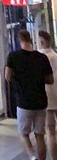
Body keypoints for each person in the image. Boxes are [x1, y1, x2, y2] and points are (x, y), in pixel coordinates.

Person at [7, 29, 53, 160]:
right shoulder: (42, 57)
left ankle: (32, 157)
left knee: (23, 133)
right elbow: (50, 80)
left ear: (19, 40)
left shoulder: (13, 56)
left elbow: (8, 77)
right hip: (41, 102)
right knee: (40, 135)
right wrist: (37, 78)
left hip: (24, 102)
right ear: (31, 40)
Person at [38, 30, 57, 160]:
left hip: (47, 96)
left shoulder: (39, 57)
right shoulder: (56, 56)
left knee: (50, 131)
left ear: (41, 41)